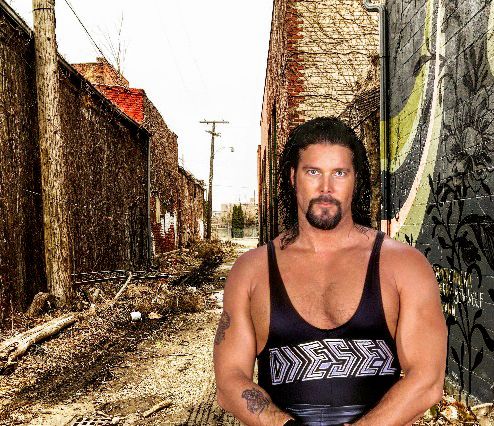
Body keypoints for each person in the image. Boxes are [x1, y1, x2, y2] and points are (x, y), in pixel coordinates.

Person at [213, 117, 447, 425]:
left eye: (339, 173)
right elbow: (230, 381)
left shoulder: (404, 266)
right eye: (313, 172)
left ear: (355, 179)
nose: (326, 188)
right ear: (293, 177)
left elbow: (427, 380)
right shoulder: (251, 271)